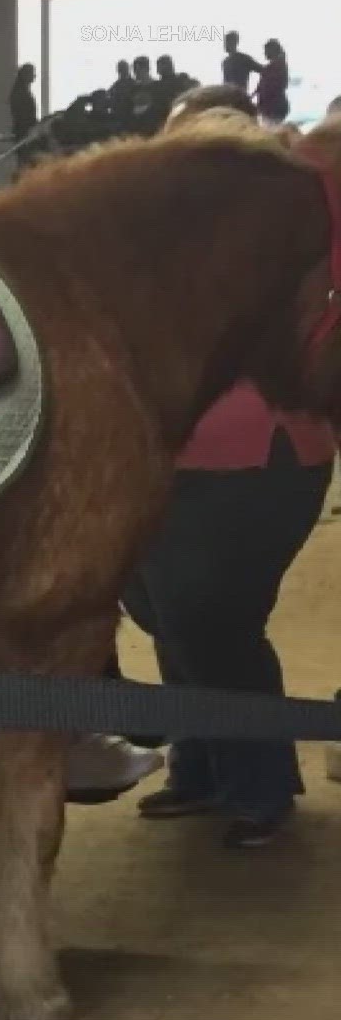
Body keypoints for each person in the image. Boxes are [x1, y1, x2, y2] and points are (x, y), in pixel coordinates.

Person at [125, 93, 336, 847]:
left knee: (214, 621)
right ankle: (203, 765)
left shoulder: (279, 237)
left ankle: (260, 782)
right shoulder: (168, 241)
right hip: (167, 457)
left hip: (259, 457)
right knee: (159, 611)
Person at [256, 39, 291, 124]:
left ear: (273, 50)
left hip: (273, 107)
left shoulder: (275, 67)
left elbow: (269, 88)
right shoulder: (279, 65)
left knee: (270, 131)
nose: (264, 53)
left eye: (266, 50)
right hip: (275, 106)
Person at [10, 63, 39, 140]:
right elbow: (23, 115)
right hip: (24, 132)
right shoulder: (21, 93)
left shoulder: (22, 91)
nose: (34, 76)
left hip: (26, 130)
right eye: (32, 73)